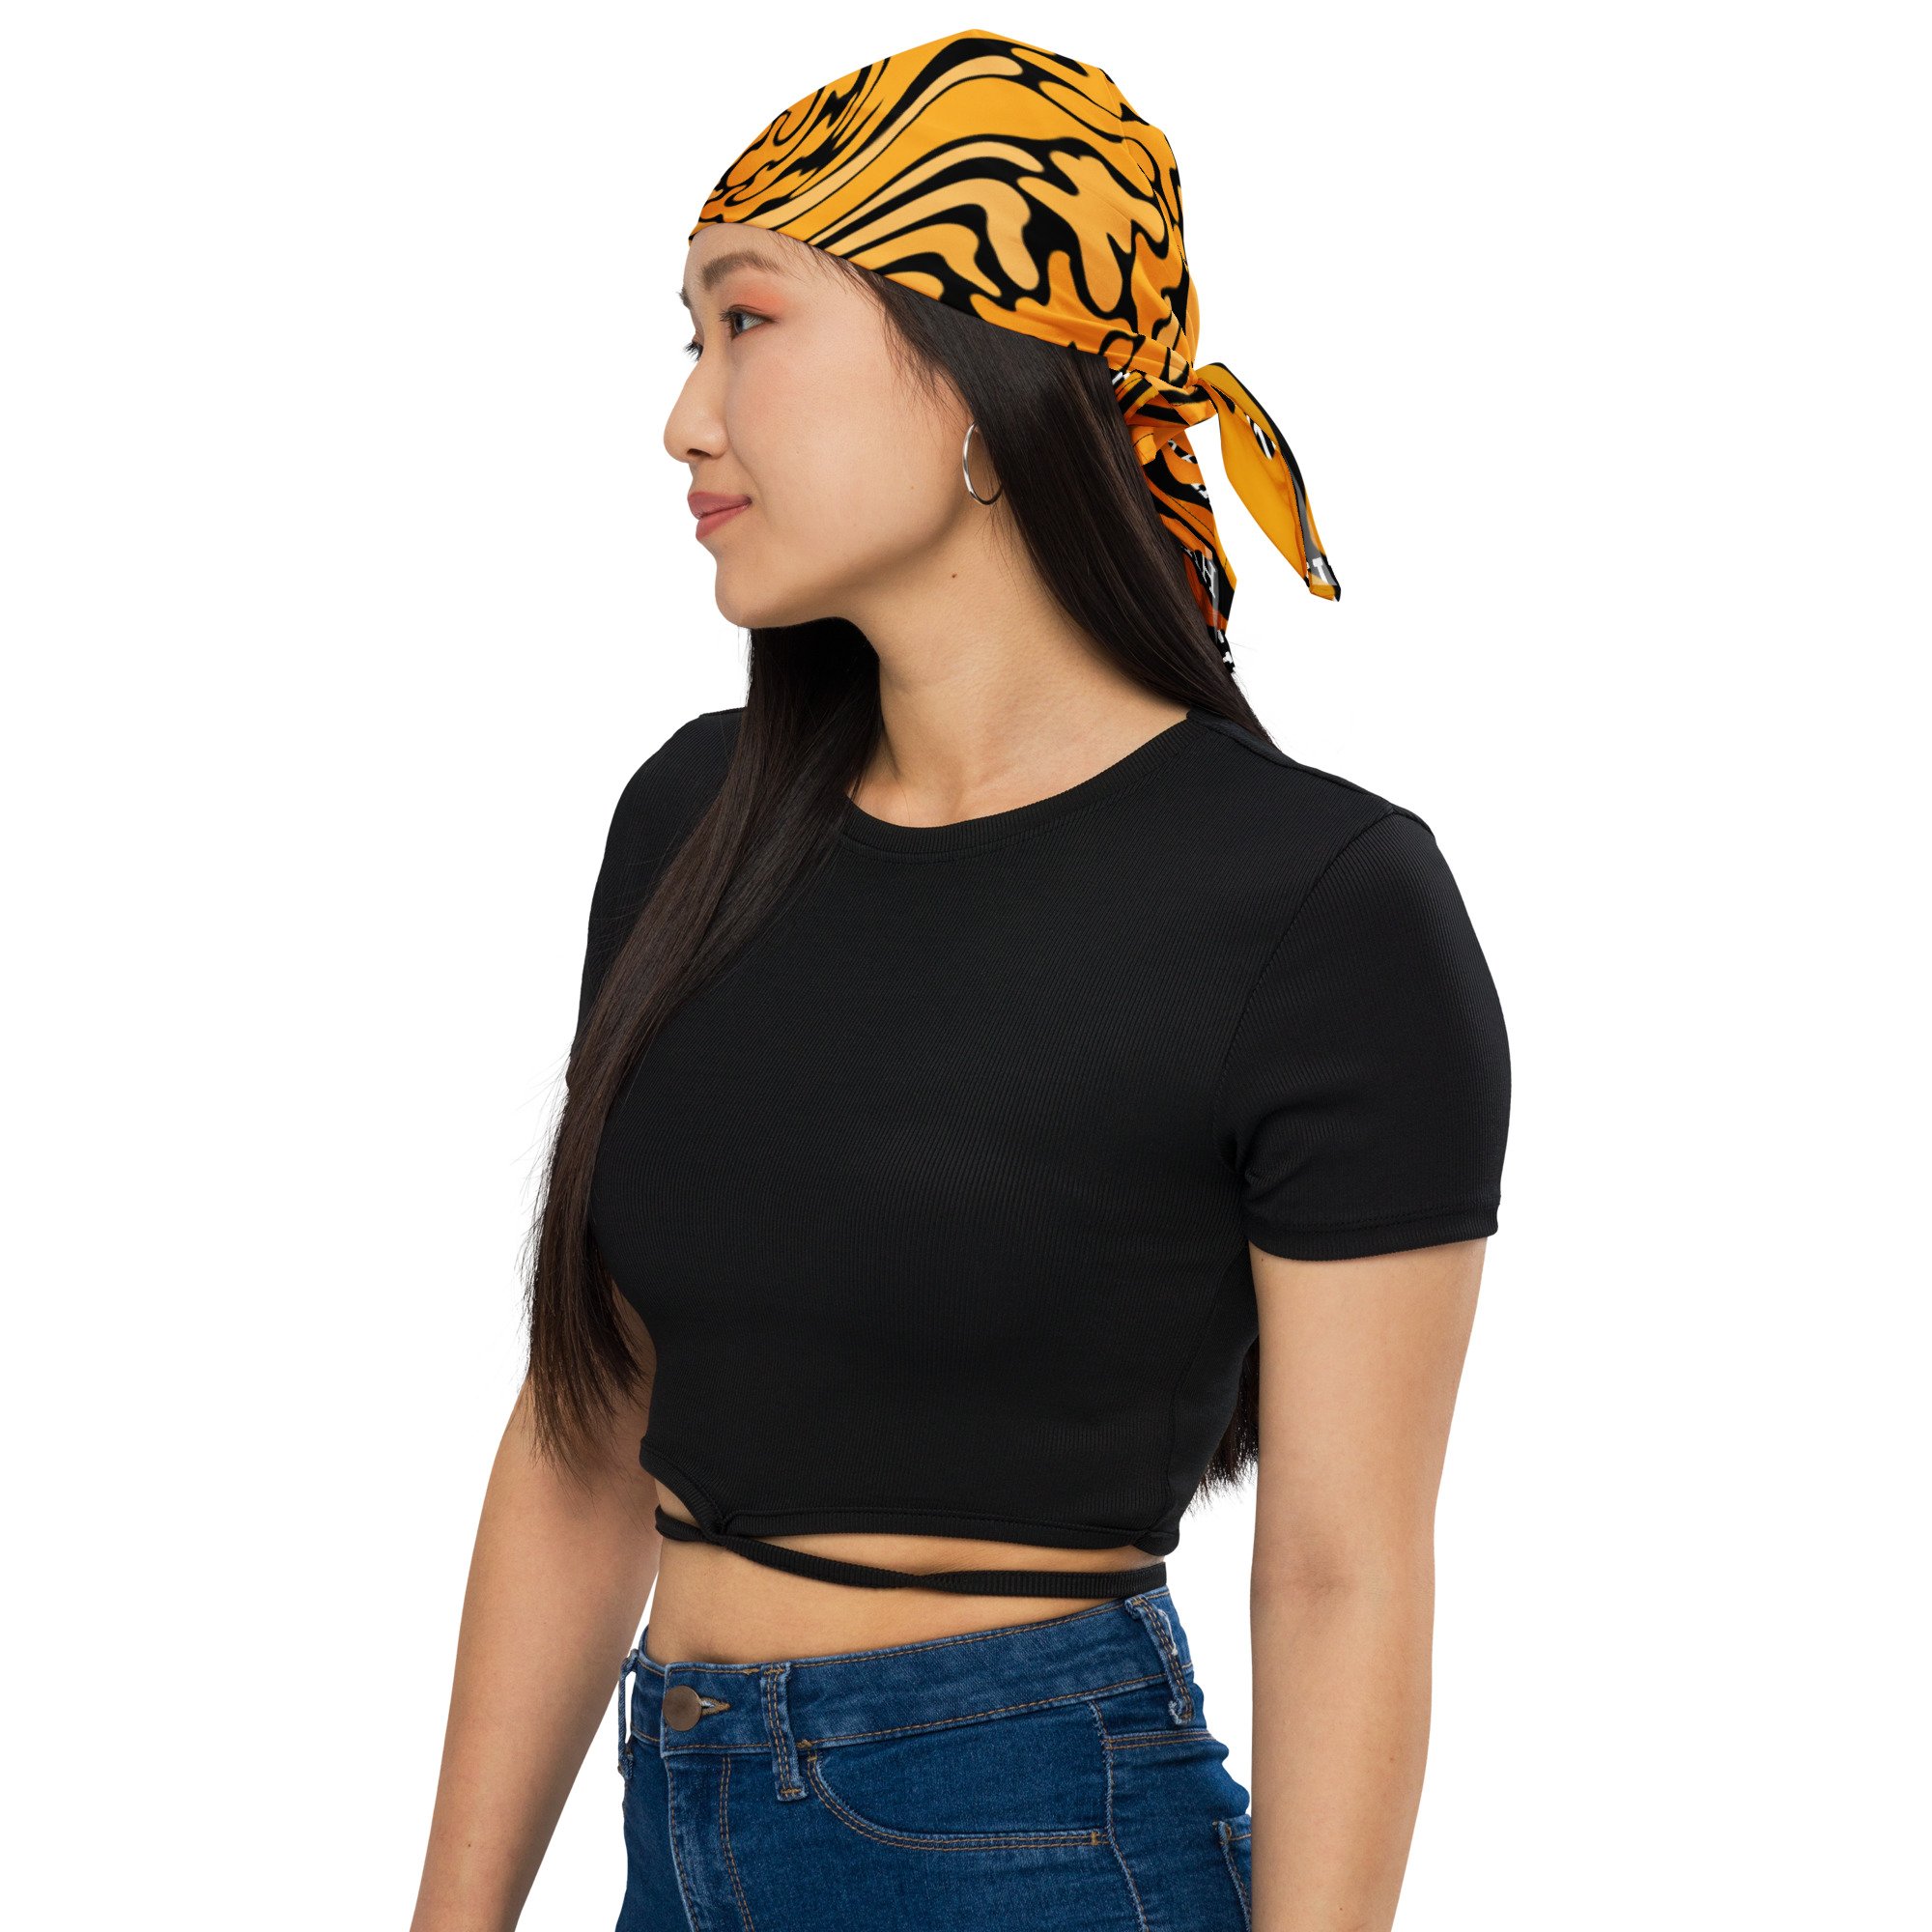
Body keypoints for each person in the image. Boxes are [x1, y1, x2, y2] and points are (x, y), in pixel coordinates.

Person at [410, 29, 1511, 1932]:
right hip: (678, 1833)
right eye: (686, 339)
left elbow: (1342, 1572)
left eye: (746, 323)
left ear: (982, 372)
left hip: (1038, 1843)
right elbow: (587, 1427)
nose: (684, 419)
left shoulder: (1320, 904)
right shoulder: (691, 823)